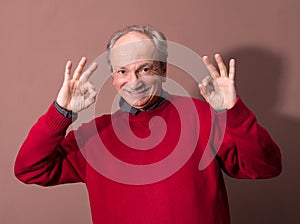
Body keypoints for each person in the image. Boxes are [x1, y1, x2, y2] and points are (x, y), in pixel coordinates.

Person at [14, 25, 282, 224]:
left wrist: (231, 111)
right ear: (113, 76)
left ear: (163, 69)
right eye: (123, 71)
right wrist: (62, 112)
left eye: (145, 68)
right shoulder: (94, 135)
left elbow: (266, 167)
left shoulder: (203, 116)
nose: (135, 81)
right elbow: (29, 169)